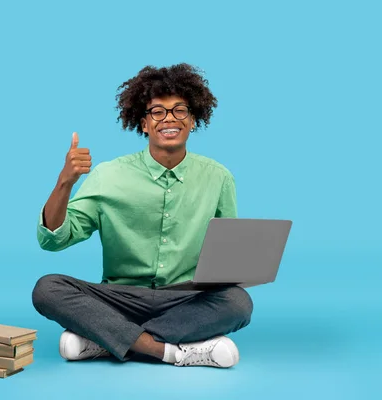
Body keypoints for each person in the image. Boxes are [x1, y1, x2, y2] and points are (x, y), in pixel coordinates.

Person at [32, 63, 253, 368]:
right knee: (47, 288)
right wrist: (64, 184)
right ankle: (171, 350)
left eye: (179, 110)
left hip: (184, 299)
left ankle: (104, 340)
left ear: (193, 120)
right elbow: (54, 240)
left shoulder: (219, 178)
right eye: (157, 112)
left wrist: (240, 269)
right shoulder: (108, 175)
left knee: (238, 304)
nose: (169, 119)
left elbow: (227, 256)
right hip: (118, 298)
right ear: (144, 124)